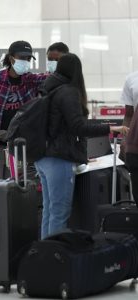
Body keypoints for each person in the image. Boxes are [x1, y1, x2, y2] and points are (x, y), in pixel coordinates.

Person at [36, 53, 128, 239]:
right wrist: (111, 128)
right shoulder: (68, 92)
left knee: (49, 211)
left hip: (43, 157)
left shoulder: (48, 88)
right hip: (59, 158)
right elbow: (78, 126)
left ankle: (44, 256)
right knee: (59, 213)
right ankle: (56, 257)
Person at [0, 40, 48, 181]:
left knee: (14, 192)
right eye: (22, 58)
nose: (26, 62)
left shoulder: (30, 80)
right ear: (11, 58)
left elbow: (51, 78)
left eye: (28, 59)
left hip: (18, 149)